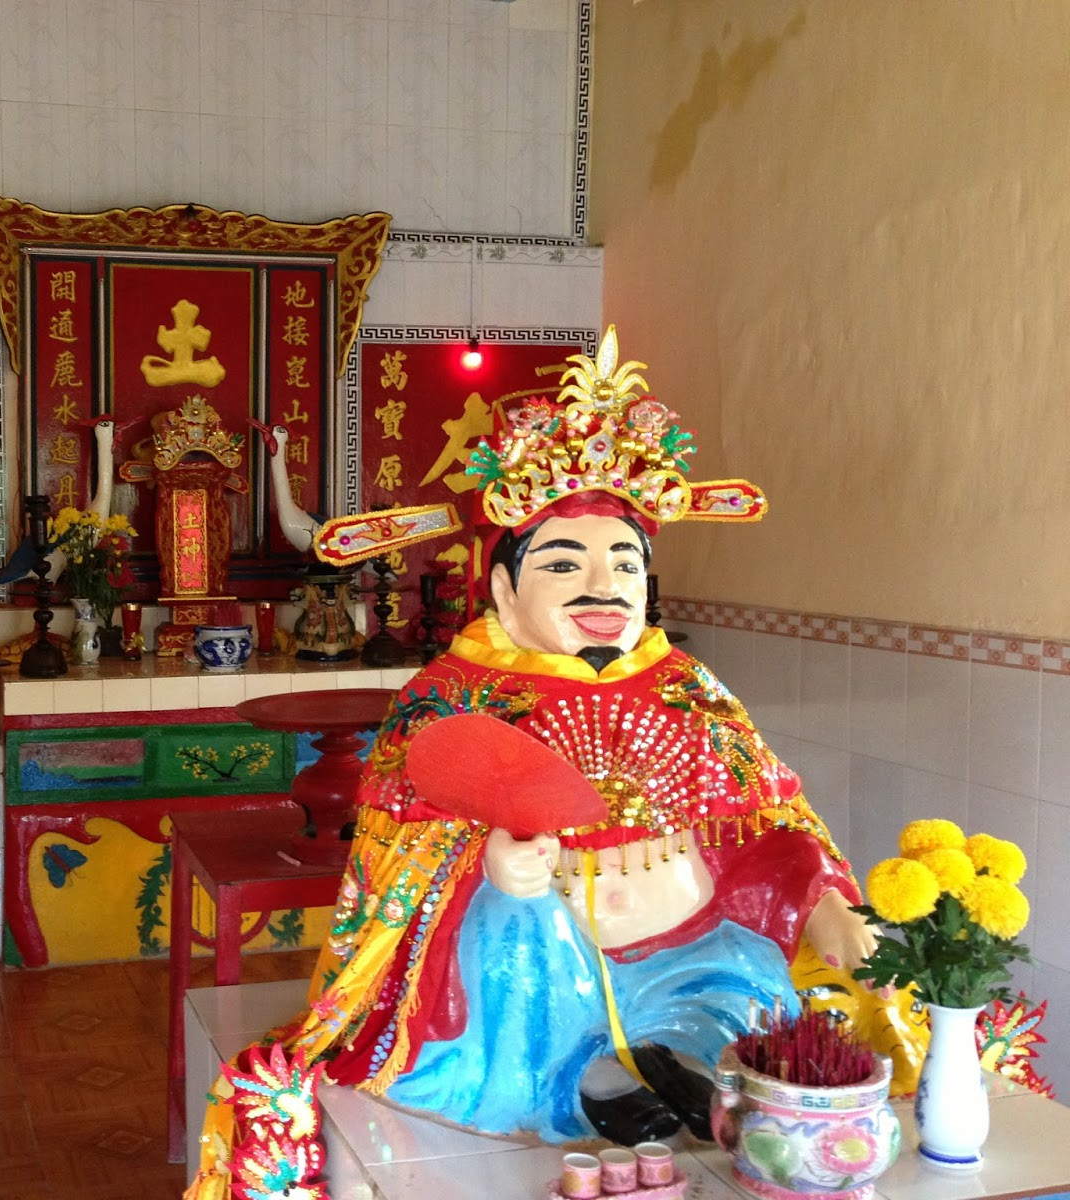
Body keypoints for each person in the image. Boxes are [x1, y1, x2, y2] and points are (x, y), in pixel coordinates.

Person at [185, 329, 921, 1198]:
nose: (602, 587)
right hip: (531, 976)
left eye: (625, 565)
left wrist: (824, 899)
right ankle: (579, 1071)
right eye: (564, 563)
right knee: (515, 935)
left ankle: (680, 1061)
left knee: (754, 994)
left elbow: (768, 824)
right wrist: (486, 862)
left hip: (688, 950)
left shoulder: (689, 688)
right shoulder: (454, 692)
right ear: (504, 589)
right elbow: (396, 856)